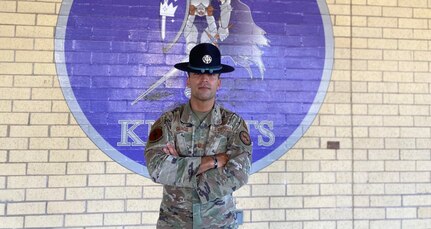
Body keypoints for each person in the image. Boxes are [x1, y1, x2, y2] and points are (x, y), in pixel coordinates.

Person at [144, 43, 252, 229]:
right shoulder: (168, 122)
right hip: (175, 223)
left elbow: (239, 173)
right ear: (188, 80)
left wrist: (180, 168)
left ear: (219, 82)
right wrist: (213, 161)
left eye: (211, 73)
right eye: (198, 73)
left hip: (220, 223)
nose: (204, 79)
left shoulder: (233, 124)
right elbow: (157, 168)